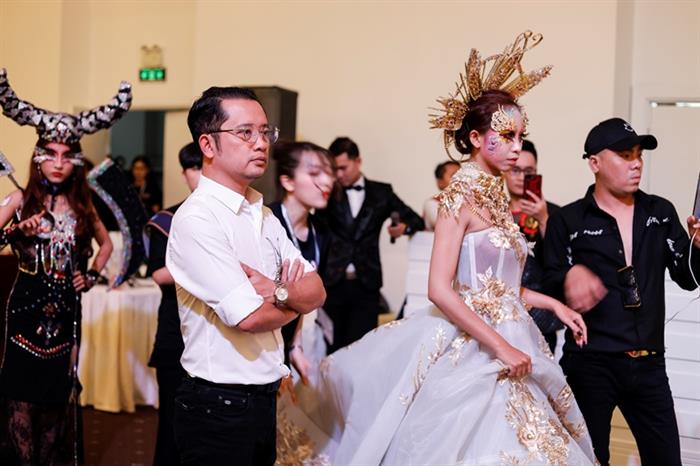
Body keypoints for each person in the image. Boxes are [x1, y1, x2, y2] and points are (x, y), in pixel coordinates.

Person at [288, 32, 598, 466]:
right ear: (476, 138)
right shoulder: (458, 197)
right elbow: (440, 289)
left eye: (520, 136)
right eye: (506, 135)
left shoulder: (497, 197)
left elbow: (499, 288)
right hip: (475, 346)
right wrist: (500, 347)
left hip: (514, 335)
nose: (516, 147)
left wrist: (555, 305)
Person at [166, 86, 326, 466]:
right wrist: (293, 297)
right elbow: (249, 317)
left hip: (264, 397)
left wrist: (277, 292)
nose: (261, 143)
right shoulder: (198, 219)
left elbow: (318, 290)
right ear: (208, 144)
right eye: (245, 133)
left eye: (265, 132)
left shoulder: (263, 214)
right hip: (217, 406)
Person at [543, 117, 700, 466]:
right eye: (625, 155)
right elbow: (547, 280)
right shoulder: (569, 220)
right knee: (589, 459)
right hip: (590, 363)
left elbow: (689, 277)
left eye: (639, 155)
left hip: (649, 363)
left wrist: (699, 246)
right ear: (594, 163)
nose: (636, 163)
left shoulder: (660, 212)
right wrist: (569, 276)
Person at [0, 68, 128, 465]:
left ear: (76, 160)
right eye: (49, 154)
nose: (57, 163)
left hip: (67, 314)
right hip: (24, 313)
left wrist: (91, 275)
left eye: (65, 156)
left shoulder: (83, 205)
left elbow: (107, 245)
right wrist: (17, 229)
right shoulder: (18, 199)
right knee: (21, 400)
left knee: (57, 402)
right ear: (38, 157)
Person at [321, 136, 424, 352]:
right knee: (331, 349)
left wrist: (403, 228)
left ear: (358, 161)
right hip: (332, 282)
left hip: (367, 283)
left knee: (364, 348)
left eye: (343, 168)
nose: (339, 175)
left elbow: (416, 220)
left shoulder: (381, 192)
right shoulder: (327, 192)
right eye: (334, 169)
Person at [145, 142, 202, 466]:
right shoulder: (167, 219)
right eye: (194, 168)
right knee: (171, 422)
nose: (200, 174)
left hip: (218, 336)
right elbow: (159, 274)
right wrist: (204, 263)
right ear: (184, 174)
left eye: (205, 167)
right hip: (176, 331)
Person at [267, 141, 335, 383]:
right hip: (261, 344)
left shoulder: (321, 231)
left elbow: (308, 299)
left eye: (329, 173)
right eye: (315, 173)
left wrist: (295, 346)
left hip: (290, 337)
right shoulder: (267, 222)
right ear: (288, 182)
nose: (327, 182)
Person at [503, 139, 562, 352]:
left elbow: (560, 262)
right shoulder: (493, 213)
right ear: (505, 172)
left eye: (529, 172)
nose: (522, 177)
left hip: (541, 317)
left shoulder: (555, 214)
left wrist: (543, 219)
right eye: (515, 170)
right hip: (501, 314)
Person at [423, 160, 460, 230]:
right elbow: (446, 226)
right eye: (453, 176)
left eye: (462, 175)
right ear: (440, 182)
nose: (460, 179)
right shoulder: (432, 204)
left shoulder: (471, 201)